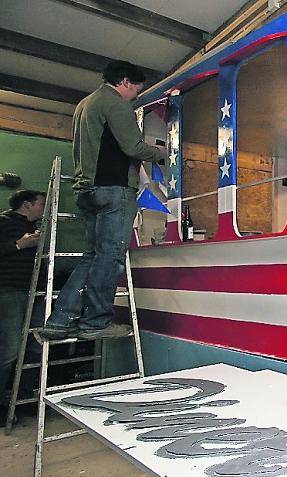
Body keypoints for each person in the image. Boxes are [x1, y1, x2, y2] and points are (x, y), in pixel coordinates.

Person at [39, 60, 165, 341]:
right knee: (110, 258)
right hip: (113, 189)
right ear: (125, 82)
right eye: (136, 89)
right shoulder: (116, 104)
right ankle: (96, 322)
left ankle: (60, 319)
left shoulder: (85, 104)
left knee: (93, 257)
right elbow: (132, 146)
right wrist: (161, 154)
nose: (135, 95)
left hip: (87, 190)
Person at [0, 190, 46, 415]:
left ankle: (23, 400)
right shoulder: (3, 221)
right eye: (40, 204)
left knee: (35, 346)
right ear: (26, 205)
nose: (43, 208)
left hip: (35, 292)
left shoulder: (35, 228)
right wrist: (19, 245)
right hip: (10, 291)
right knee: (9, 350)